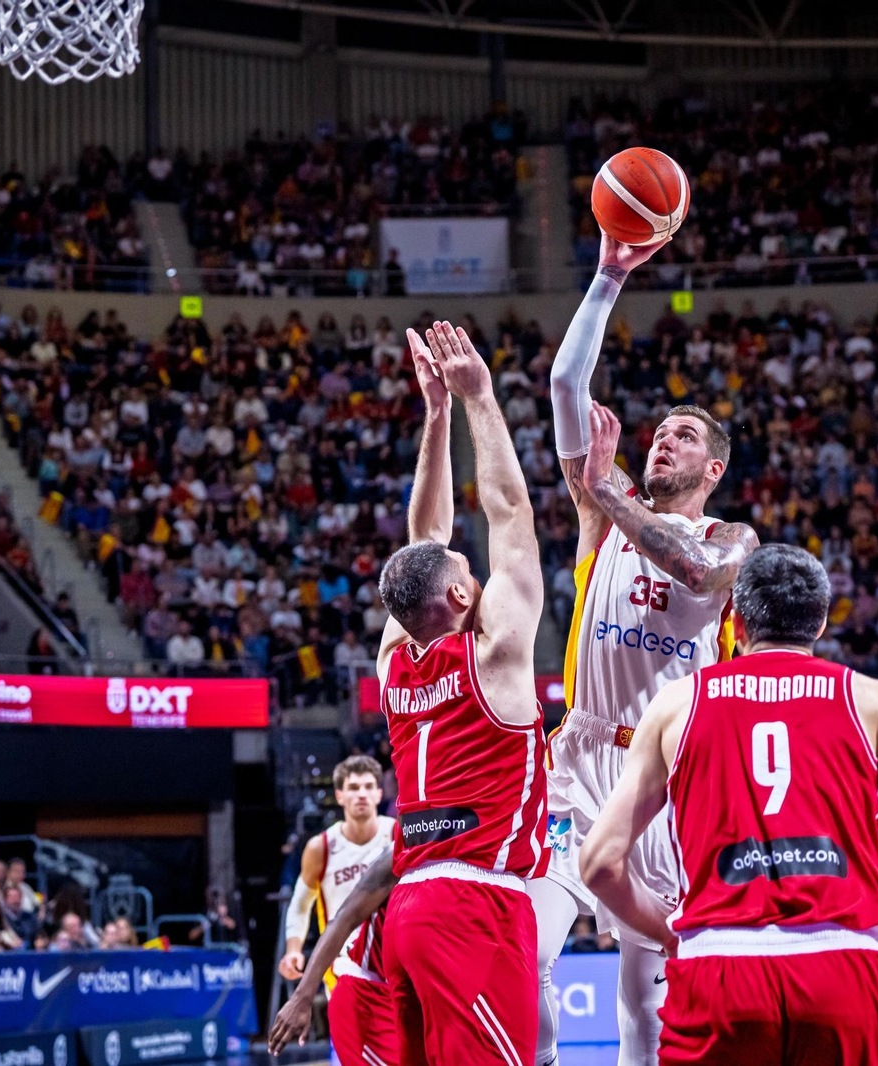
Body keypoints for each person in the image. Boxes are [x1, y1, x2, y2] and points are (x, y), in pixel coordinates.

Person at [579, 545, 878, 1065]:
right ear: (821, 623)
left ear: (735, 616)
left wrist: (666, 931)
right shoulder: (869, 700)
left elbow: (599, 863)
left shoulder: (677, 705)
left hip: (721, 971)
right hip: (843, 967)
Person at [269, 322, 549, 1064]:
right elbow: (511, 515)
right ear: (461, 592)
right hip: (475, 902)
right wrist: (480, 400)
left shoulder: (396, 661)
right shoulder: (494, 657)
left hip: (411, 903)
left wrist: (435, 416)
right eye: (468, 568)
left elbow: (422, 538)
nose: (477, 568)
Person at [538, 233, 759, 1064]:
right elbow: (566, 383)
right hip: (575, 763)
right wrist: (607, 274)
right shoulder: (603, 505)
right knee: (525, 961)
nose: (662, 441)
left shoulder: (729, 536)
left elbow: (697, 573)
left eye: (683, 436)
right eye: (658, 432)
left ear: (715, 467)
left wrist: (606, 492)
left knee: (647, 1003)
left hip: (663, 782)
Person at [279, 755, 399, 1066]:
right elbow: (300, 904)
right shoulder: (321, 846)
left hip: (390, 961)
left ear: (379, 794)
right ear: (340, 795)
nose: (361, 793)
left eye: (368, 786)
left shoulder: (397, 834)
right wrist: (294, 949)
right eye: (354, 787)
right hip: (342, 963)